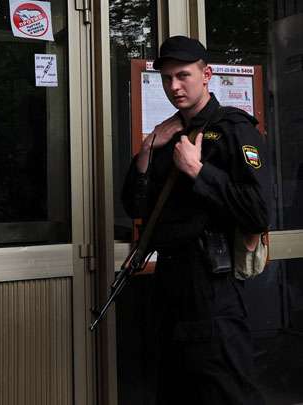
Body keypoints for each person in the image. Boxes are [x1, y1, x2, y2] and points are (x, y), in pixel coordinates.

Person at [122, 36, 269, 404]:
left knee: (227, 389)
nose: (174, 86)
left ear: (207, 75)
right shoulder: (168, 134)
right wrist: (145, 151)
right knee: (175, 389)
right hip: (169, 284)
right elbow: (135, 207)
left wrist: (198, 171)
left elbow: (257, 211)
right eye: (167, 78)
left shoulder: (235, 129)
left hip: (211, 284)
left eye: (183, 75)